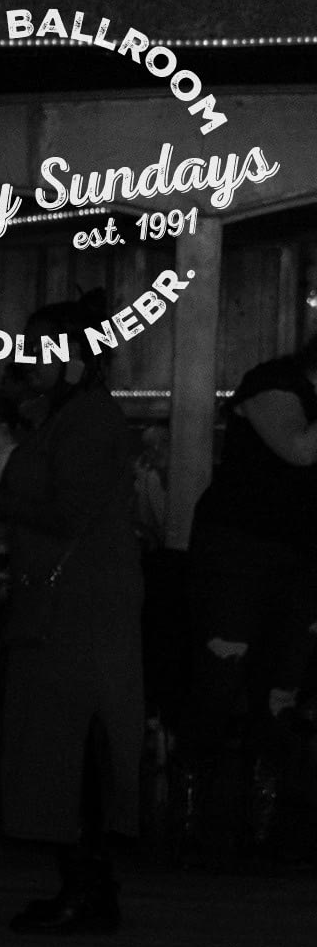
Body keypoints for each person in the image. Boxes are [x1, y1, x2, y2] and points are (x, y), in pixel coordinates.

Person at [0, 293, 145, 931]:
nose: (33, 357)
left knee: (68, 743)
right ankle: (87, 886)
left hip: (77, 608)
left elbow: (70, 512)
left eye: (45, 346)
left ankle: (85, 888)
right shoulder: (71, 414)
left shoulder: (88, 418)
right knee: (68, 743)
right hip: (72, 601)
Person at [184, 327, 317, 865]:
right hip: (240, 553)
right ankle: (198, 822)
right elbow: (300, 450)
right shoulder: (273, 383)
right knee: (221, 678)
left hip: (299, 560)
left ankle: (267, 829)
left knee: (283, 687)